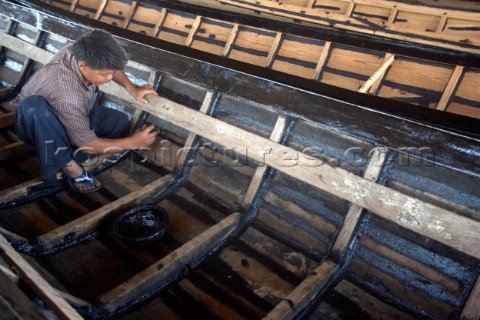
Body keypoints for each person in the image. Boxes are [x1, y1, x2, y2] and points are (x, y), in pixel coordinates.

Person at [11, 29, 158, 193]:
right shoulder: (68, 95)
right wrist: (133, 142)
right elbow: (88, 146)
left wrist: (133, 89)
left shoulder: (79, 50)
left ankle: (60, 154)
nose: (110, 78)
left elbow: (112, 67)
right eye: (105, 74)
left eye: (112, 73)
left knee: (119, 122)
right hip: (34, 125)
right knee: (36, 106)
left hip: (68, 113)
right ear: (83, 66)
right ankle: (70, 167)